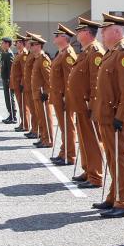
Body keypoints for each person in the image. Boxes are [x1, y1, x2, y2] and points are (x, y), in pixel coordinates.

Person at [93, 13, 124, 218]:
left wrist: (120, 116)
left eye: (105, 30)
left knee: (121, 158)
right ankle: (114, 196)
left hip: (117, 117)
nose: (102, 33)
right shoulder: (111, 52)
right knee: (112, 158)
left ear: (116, 31)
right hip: (107, 115)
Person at [68, 17, 105, 189]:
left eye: (79, 31)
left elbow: (95, 81)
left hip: (88, 105)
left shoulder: (95, 52)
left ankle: (96, 175)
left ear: (87, 33)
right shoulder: (86, 51)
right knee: (84, 140)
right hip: (80, 104)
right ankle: (88, 169)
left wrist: (93, 104)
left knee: (91, 140)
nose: (77, 33)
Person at [50, 23, 78, 166]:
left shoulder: (68, 54)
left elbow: (69, 79)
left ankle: (70, 155)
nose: (54, 37)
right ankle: (63, 152)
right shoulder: (62, 53)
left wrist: (68, 98)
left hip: (64, 97)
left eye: (57, 35)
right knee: (63, 126)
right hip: (58, 96)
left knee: (68, 125)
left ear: (64, 38)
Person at [28, 34, 54, 149]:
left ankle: (48, 140)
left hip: (42, 93)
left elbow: (49, 78)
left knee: (46, 118)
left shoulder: (43, 59)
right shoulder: (37, 58)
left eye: (33, 44)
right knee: (40, 118)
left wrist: (47, 92)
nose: (30, 46)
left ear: (39, 46)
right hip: (37, 93)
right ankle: (43, 138)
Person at [22, 34, 40, 141]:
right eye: (28, 42)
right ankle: (34, 129)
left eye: (30, 42)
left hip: (33, 87)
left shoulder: (34, 56)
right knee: (33, 110)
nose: (28, 44)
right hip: (28, 86)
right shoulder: (29, 55)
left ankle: (36, 130)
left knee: (35, 111)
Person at [10, 35, 29, 131]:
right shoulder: (19, 54)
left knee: (23, 105)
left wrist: (22, 83)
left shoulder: (24, 54)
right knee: (20, 104)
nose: (16, 44)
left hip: (20, 84)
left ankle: (25, 124)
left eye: (17, 42)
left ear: (21, 43)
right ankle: (23, 123)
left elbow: (24, 71)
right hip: (16, 84)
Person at [0, 37, 17, 124]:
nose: (1, 44)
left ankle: (13, 116)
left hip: (8, 80)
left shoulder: (9, 54)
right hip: (4, 79)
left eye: (2, 43)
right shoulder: (4, 53)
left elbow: (11, 69)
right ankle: (10, 115)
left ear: (7, 44)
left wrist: (11, 80)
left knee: (10, 98)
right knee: (7, 98)